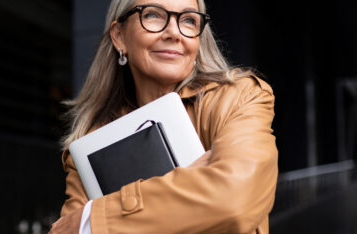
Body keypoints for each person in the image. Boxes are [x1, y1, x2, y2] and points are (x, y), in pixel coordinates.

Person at [50, 0, 278, 233]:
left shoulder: (239, 98)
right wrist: (192, 181)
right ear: (119, 36)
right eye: (153, 15)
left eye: (188, 20)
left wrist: (95, 219)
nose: (174, 32)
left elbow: (234, 202)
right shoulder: (90, 144)